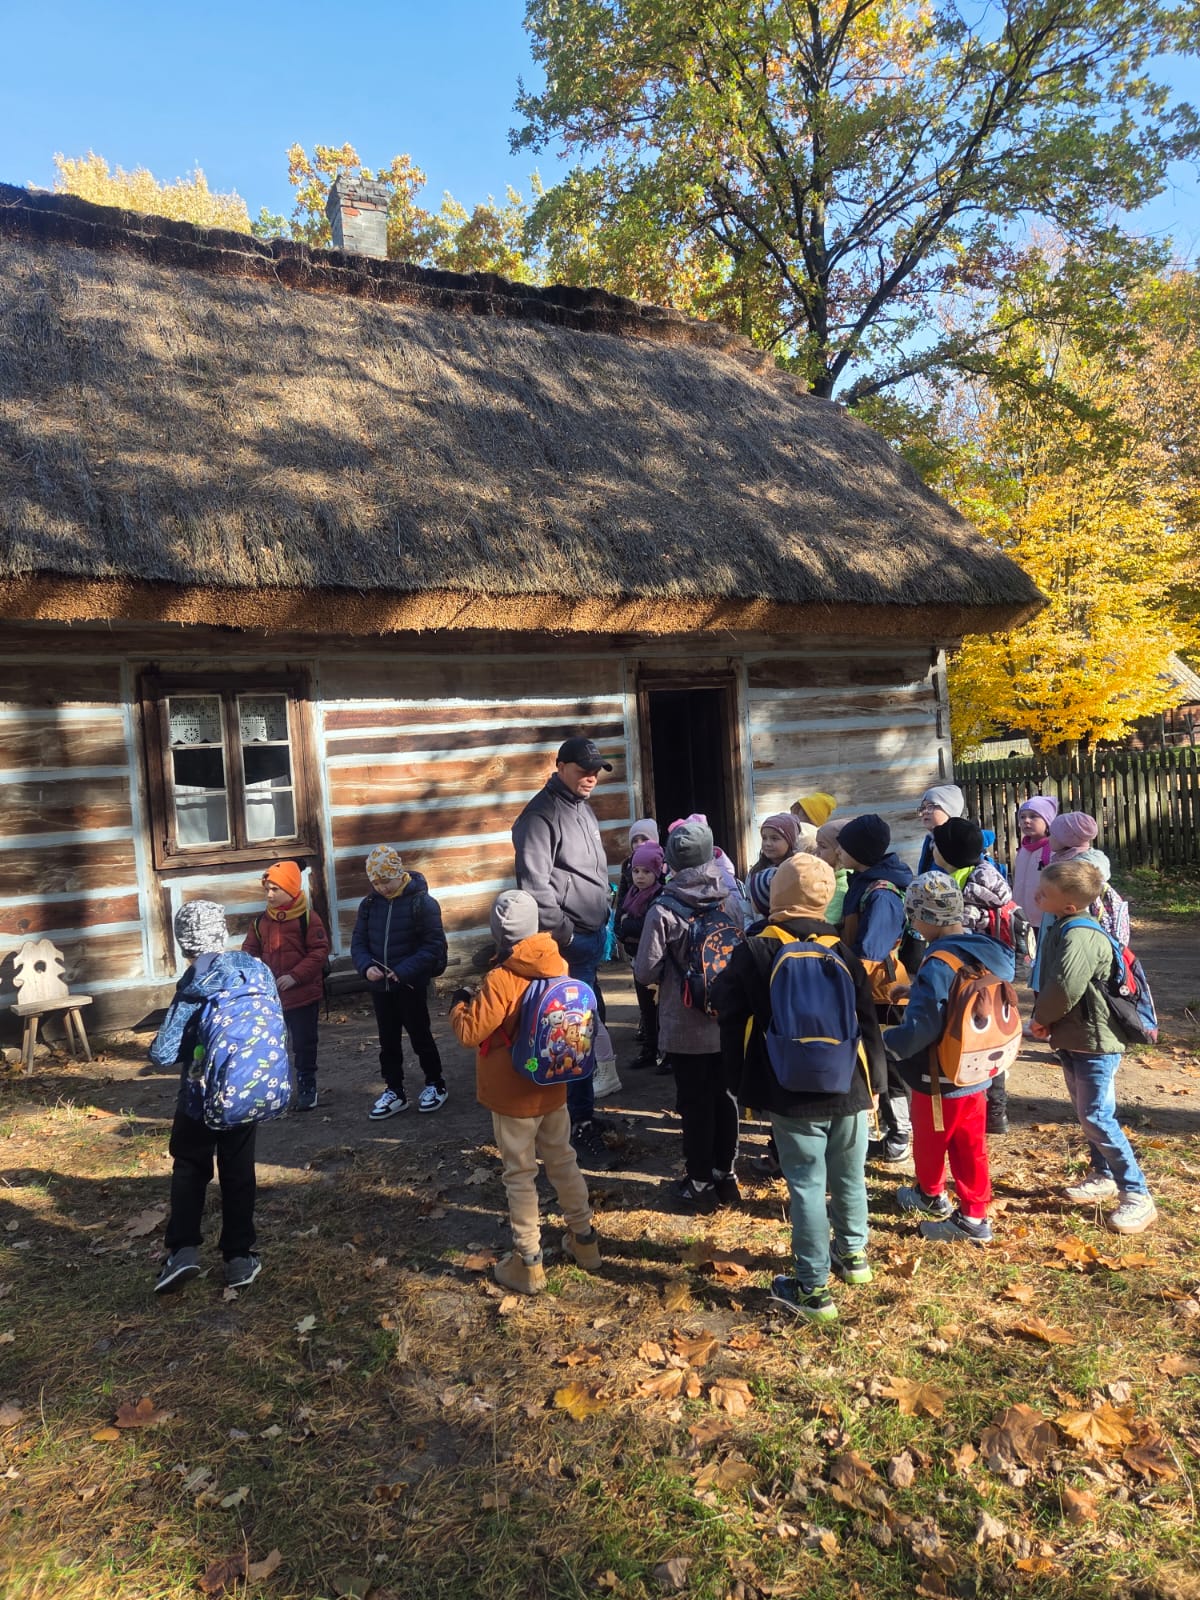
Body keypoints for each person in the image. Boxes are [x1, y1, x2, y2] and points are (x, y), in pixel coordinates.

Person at [713, 854, 886, 1323]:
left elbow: (728, 1015)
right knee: (849, 1175)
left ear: (776, 894)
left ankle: (812, 1289)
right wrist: (878, 1085)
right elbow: (868, 1021)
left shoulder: (755, 949)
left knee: (807, 1184)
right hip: (850, 1083)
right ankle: (854, 1257)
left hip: (789, 1085)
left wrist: (737, 1083)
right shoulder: (842, 948)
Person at [449, 890, 601, 1294]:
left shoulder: (502, 978)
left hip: (512, 1093)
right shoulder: (557, 962)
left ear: (498, 932)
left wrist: (459, 1004)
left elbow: (469, 1033)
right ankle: (585, 1240)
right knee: (563, 1160)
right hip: (553, 1085)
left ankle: (528, 1261)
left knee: (519, 1174)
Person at [151, 901, 280, 1293]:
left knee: (191, 1166)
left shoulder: (195, 983)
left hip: (199, 1096)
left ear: (183, 943)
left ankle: (183, 1251)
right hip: (247, 1088)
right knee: (238, 1170)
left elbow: (163, 1053)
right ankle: (239, 1257)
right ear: (221, 933)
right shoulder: (257, 969)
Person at [883, 872, 1015, 1246]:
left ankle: (931, 1195)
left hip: (939, 1075)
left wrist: (887, 1042)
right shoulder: (980, 949)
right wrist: (916, 991)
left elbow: (923, 1028)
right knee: (971, 1145)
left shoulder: (937, 962)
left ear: (927, 917)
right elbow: (960, 993)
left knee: (930, 1139)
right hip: (976, 1068)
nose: (913, 925)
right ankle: (975, 1209)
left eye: (914, 917)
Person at [1029, 861, 1157, 1234]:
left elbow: (1065, 986)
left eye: (1044, 893)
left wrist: (1041, 1017)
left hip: (1095, 1043)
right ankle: (1103, 1175)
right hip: (1076, 1038)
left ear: (1069, 905)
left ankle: (1137, 1194)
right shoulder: (1063, 925)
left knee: (1097, 1116)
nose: (1036, 896)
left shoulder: (1080, 935)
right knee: (1088, 1114)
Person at [512, 736, 614, 1164]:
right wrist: (565, 934)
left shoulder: (581, 806)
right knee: (572, 1035)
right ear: (560, 767)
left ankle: (582, 1114)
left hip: (591, 936)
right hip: (569, 944)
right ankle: (575, 1126)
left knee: (588, 1027)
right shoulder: (540, 815)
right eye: (583, 769)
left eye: (596, 771)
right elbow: (535, 886)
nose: (591, 777)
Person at [635, 819, 745, 1212]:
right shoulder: (730, 898)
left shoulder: (663, 908)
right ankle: (725, 1176)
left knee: (694, 1103)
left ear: (670, 860)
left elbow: (645, 971)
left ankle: (699, 1183)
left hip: (684, 1023)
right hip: (727, 1018)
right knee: (726, 1098)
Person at [930, 817, 1016, 1134]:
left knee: (972, 1038)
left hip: (969, 979)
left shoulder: (958, 889)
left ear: (946, 853)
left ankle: (984, 1108)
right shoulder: (989, 877)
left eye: (936, 845)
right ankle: (998, 1113)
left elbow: (957, 939)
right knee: (991, 1037)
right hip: (996, 975)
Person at [351, 845, 449, 1119]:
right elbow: (358, 943)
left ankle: (435, 1083)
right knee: (388, 1041)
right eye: (375, 883)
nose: (381, 887)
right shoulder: (369, 905)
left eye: (386, 881)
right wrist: (366, 967)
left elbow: (432, 945)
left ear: (398, 873)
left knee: (421, 1035)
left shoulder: (423, 903)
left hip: (409, 984)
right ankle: (394, 1089)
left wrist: (404, 971)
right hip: (380, 987)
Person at [837, 813, 914, 1162]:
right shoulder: (863, 882)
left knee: (890, 1065)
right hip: (869, 987)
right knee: (873, 1060)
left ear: (860, 851)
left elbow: (870, 953)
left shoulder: (881, 894)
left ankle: (900, 1133)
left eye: (844, 847)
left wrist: (844, 988)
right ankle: (882, 1126)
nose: (838, 852)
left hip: (884, 992)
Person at [242, 860, 329, 1112]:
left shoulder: (308, 919)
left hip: (302, 996)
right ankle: (274, 1088)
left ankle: (307, 1085)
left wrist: (295, 976)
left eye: (275, 889)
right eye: (267, 889)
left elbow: (319, 952)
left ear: (290, 890)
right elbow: (249, 952)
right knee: (271, 1045)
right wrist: (256, 973)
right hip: (271, 998)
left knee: (303, 1044)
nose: (269, 895)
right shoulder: (260, 922)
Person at [616, 840, 666, 1070]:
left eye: (646, 871)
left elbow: (647, 926)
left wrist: (628, 925)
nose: (640, 876)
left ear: (656, 872)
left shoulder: (659, 895)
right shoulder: (632, 894)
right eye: (636, 871)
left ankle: (664, 1054)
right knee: (646, 1009)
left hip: (656, 962)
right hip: (636, 958)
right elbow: (621, 923)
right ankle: (649, 1049)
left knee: (659, 1009)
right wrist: (624, 927)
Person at [1011, 796, 1058, 954]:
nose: (1026, 821)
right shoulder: (1023, 850)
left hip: (1043, 918)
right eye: (1022, 817)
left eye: (1033, 816)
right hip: (1021, 916)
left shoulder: (1053, 850)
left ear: (1048, 821)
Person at [916, 784, 967, 873]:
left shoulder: (963, 844)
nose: (924, 811)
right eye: (923, 808)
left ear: (949, 810)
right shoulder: (931, 841)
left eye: (930, 806)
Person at [812, 819, 849, 925]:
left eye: (823, 846)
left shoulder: (841, 885)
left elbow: (828, 922)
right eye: (817, 845)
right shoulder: (825, 874)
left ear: (839, 850)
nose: (816, 851)